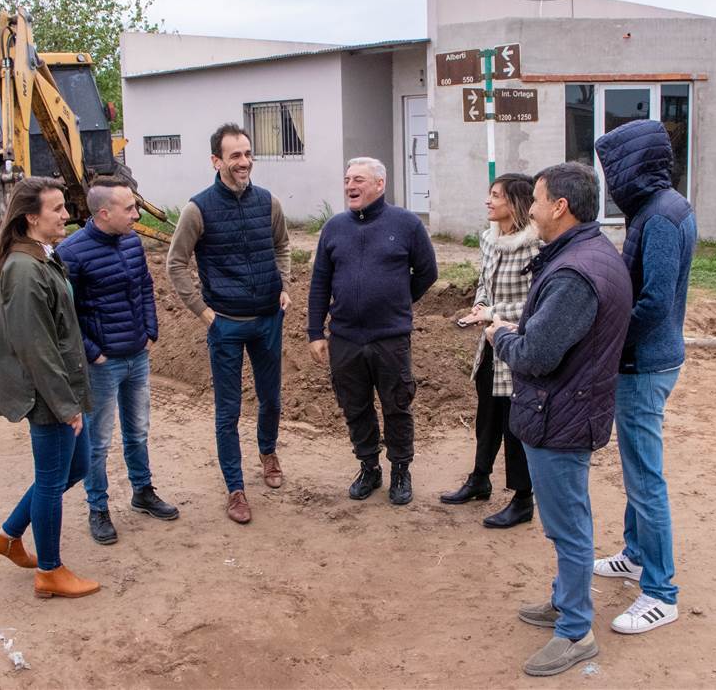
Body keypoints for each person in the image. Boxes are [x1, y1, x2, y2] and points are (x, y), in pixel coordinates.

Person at [485, 162, 631, 676]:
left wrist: (498, 333)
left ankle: (575, 631)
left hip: (561, 415)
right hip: (568, 408)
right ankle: (564, 601)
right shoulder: (590, 253)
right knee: (567, 519)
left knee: (568, 528)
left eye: (539, 200)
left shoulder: (575, 273)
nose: (534, 209)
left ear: (560, 208)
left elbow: (535, 355)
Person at [592, 119, 697, 634]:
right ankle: (636, 554)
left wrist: (610, 339)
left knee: (644, 477)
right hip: (652, 358)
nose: (609, 180)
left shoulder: (658, 218)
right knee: (639, 469)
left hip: (644, 363)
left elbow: (653, 302)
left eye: (612, 168)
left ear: (632, 167)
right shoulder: (665, 206)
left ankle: (660, 591)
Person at [0, 176, 99, 599]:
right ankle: (49, 571)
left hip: (62, 388)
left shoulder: (41, 257)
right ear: (32, 217)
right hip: (47, 396)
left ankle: (8, 535)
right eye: (58, 209)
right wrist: (66, 405)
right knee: (51, 481)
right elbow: (36, 348)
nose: (67, 215)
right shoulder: (25, 269)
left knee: (76, 468)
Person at [166, 123, 291, 524]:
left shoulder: (268, 202)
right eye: (235, 155)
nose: (244, 162)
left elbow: (282, 245)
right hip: (226, 323)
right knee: (228, 410)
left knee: (271, 398)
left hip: (268, 319)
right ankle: (235, 488)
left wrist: (284, 284)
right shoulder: (197, 209)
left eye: (248, 154)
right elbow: (176, 263)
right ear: (216, 160)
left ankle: (268, 453)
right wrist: (202, 311)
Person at [307, 157, 438, 505]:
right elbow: (320, 282)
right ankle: (369, 467)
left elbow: (427, 272)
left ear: (380, 185)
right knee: (355, 407)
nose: (351, 185)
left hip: (390, 338)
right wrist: (315, 332)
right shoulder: (334, 228)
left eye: (359, 180)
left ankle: (400, 470)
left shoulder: (407, 224)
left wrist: (398, 300)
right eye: (347, 179)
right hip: (346, 338)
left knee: (397, 406)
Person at [56, 178, 179, 547]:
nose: (137, 214)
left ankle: (143, 492)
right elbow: (67, 314)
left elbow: (144, 287)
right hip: (102, 364)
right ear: (104, 213)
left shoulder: (131, 242)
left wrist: (149, 330)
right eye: (129, 209)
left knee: (138, 431)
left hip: (136, 354)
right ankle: (98, 508)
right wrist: (94, 351)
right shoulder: (71, 253)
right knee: (98, 441)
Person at [440, 173, 540, 528]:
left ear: (515, 203)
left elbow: (536, 302)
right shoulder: (490, 240)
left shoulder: (535, 247)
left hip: (518, 347)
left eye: (495, 195)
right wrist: (480, 307)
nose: (488, 201)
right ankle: (479, 479)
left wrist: (493, 314)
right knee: (487, 417)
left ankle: (522, 498)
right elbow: (485, 281)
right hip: (490, 344)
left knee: (516, 425)